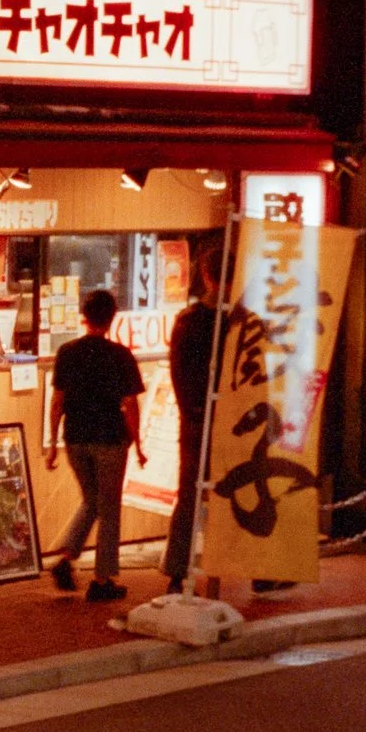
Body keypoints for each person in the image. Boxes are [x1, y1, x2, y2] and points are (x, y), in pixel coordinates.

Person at [43, 288, 146, 604]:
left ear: (84, 317)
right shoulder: (120, 356)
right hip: (110, 440)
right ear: (112, 318)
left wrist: (52, 444)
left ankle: (65, 558)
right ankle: (102, 580)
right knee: (109, 507)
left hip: (75, 439)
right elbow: (130, 404)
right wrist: (138, 443)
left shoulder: (67, 352)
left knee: (92, 500)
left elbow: (57, 401)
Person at [163, 252, 221, 593]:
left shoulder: (189, 320)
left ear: (205, 276)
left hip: (197, 420)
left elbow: (178, 372)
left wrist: (190, 412)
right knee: (244, 489)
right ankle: (259, 569)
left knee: (190, 496)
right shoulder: (242, 319)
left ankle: (177, 572)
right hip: (238, 421)